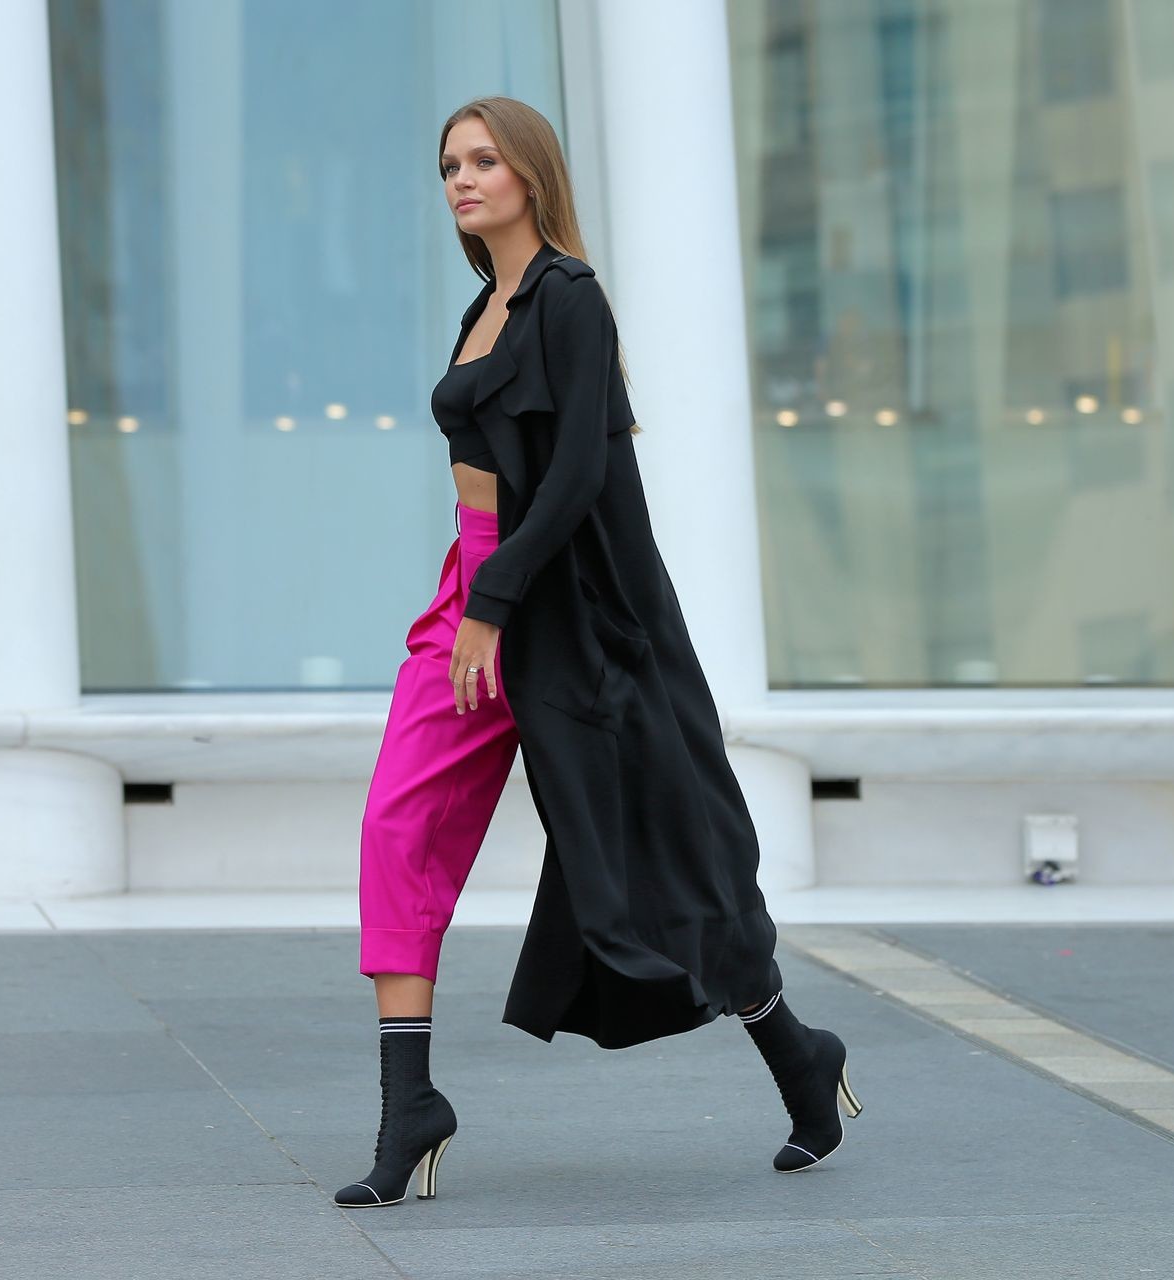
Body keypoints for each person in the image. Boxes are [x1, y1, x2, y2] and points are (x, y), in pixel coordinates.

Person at [338, 97, 860, 1210]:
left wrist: (498, 602)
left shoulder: (569, 296)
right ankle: (409, 1104)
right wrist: (476, 599)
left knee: (661, 853)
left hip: (562, 609)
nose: (461, 179)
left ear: (530, 174)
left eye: (483, 160)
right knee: (398, 826)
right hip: (473, 594)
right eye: (448, 165)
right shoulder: (484, 306)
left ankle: (798, 1055)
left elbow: (579, 471)